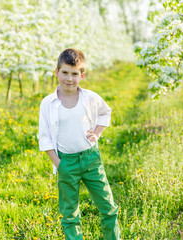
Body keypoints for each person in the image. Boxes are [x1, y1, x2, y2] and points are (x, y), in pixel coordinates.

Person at [38, 48, 121, 240]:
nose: (69, 78)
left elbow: (105, 112)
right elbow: (45, 137)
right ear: (57, 72)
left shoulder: (90, 98)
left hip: (91, 159)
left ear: (82, 75)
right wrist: (59, 164)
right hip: (66, 162)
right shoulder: (48, 103)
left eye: (74, 74)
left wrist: (97, 133)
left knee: (108, 207)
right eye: (65, 72)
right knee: (69, 214)